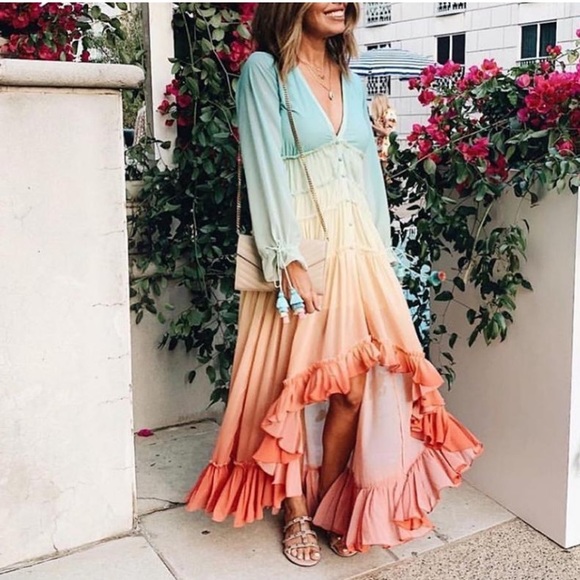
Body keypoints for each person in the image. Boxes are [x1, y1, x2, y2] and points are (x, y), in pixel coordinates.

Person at [186, 2, 482, 568]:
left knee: (355, 387)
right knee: (292, 382)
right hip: (301, 244)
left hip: (358, 248)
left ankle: (324, 498)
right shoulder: (265, 71)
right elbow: (264, 167)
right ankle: (296, 510)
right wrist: (286, 257)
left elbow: (367, 177)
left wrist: (382, 257)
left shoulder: (351, 76)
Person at [370, 94, 397, 162]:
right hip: (379, 148)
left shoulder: (390, 114)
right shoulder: (380, 116)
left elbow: (388, 132)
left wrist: (372, 126)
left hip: (386, 149)